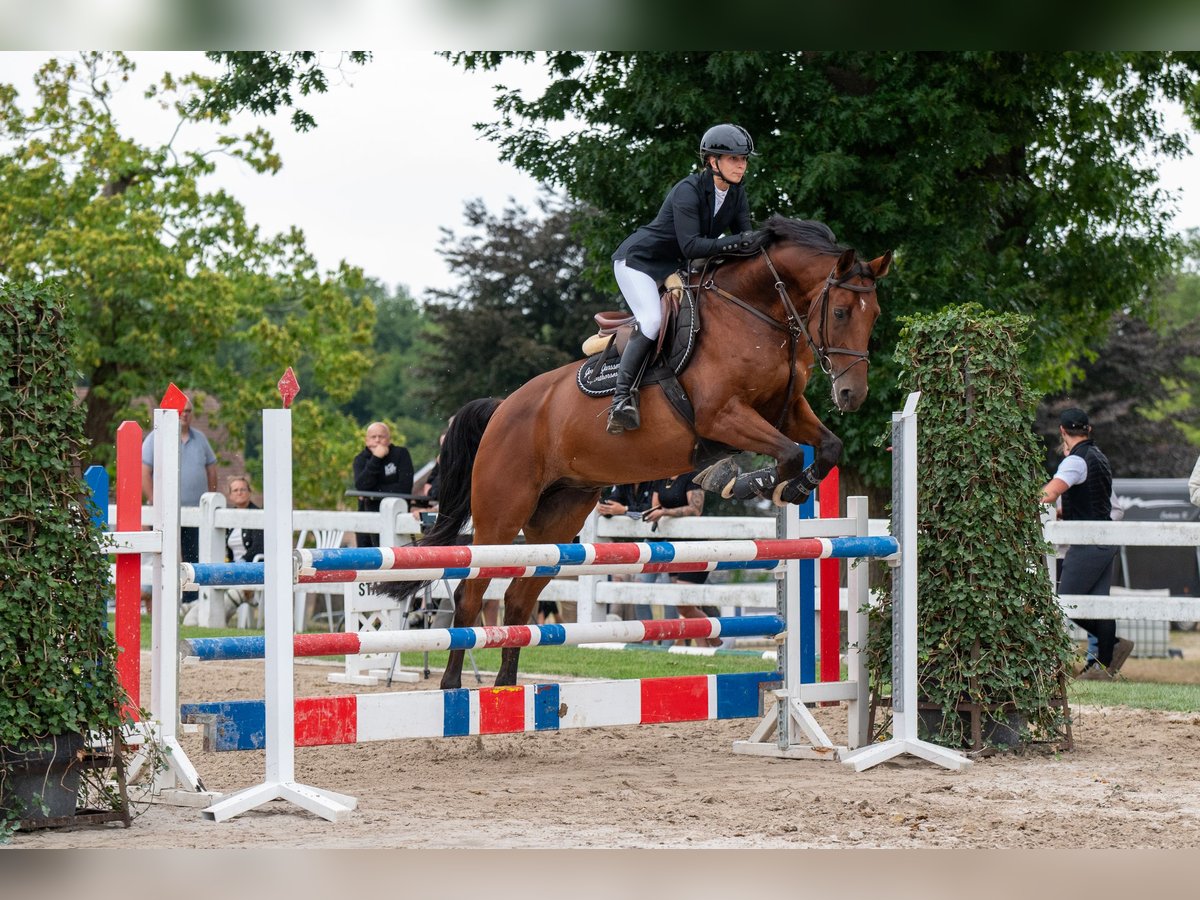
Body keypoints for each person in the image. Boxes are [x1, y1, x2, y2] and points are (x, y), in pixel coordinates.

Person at [607, 123, 758, 434]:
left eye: (744, 159)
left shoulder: (737, 194)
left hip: (673, 268)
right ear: (712, 161)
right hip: (639, 262)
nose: (741, 165)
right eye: (734, 159)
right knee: (651, 321)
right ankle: (621, 401)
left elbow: (747, 239)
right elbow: (692, 245)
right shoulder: (687, 191)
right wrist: (738, 243)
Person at [1041, 407, 1134, 680]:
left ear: (1062, 431)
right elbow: (1093, 502)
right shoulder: (1099, 457)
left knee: (1066, 603)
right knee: (1096, 604)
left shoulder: (1074, 461)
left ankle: (1113, 645)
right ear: (1088, 429)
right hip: (1105, 539)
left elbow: (1050, 492)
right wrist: (1061, 513)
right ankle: (1104, 663)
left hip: (1088, 543)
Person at [142, 394, 218, 608]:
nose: (184, 414)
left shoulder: (200, 439)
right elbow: (144, 471)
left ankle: (192, 604)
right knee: (168, 558)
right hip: (166, 512)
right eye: (181, 410)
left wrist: (211, 498)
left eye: (188, 411)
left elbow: (212, 469)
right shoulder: (156, 438)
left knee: (193, 556)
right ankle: (166, 604)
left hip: (195, 513)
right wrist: (153, 499)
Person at [644, 472, 723, 647]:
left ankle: (717, 640)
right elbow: (654, 509)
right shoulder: (660, 478)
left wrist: (665, 512)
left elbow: (695, 509)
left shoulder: (692, 477)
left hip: (696, 548)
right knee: (685, 607)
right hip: (675, 549)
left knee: (683, 603)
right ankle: (703, 649)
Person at [597, 482, 657, 621]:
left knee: (648, 595)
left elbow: (649, 511)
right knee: (621, 589)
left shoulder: (654, 482)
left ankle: (653, 638)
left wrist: (624, 510)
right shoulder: (624, 483)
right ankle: (628, 634)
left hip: (652, 544)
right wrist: (605, 508)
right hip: (626, 546)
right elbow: (613, 504)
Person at [352, 421, 414, 548]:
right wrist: (376, 458)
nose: (377, 440)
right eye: (373, 437)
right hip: (367, 517)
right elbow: (361, 486)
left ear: (389, 439)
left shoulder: (401, 454)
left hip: (397, 516)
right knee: (367, 561)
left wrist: (372, 493)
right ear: (366, 440)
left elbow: (405, 487)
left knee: (398, 558)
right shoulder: (360, 459)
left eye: (381, 437)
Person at [223, 475, 263, 625]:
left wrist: (240, 564)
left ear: (249, 492)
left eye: (242, 489)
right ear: (230, 495)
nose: (239, 493)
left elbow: (259, 547)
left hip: (251, 566)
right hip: (232, 566)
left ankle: (219, 619)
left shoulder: (257, 514)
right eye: (235, 490)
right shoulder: (228, 517)